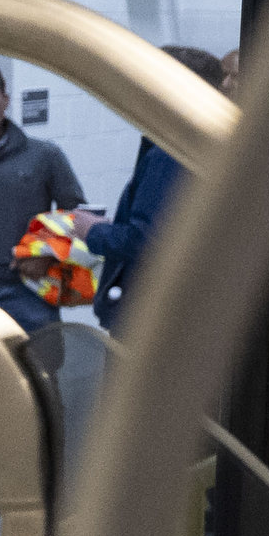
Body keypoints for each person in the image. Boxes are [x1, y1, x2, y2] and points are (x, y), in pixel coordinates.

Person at [90, 46, 228, 330]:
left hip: (148, 317)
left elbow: (147, 240)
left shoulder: (171, 153)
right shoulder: (202, 145)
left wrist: (92, 230)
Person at [0, 74, 89, 340]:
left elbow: (79, 216)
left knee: (41, 372)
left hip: (28, 291)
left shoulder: (44, 156)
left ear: (5, 100)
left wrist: (48, 254)